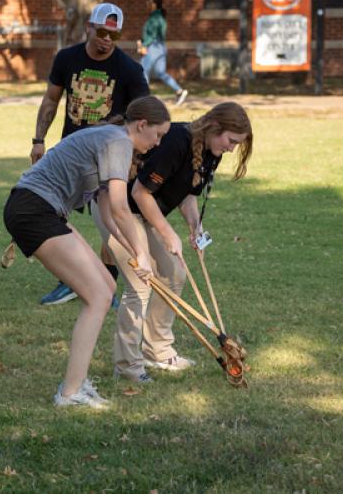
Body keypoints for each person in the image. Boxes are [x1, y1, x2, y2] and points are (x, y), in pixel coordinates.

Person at [4, 95, 171, 408]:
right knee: (97, 297)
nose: (158, 143)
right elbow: (122, 208)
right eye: (158, 135)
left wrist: (132, 255)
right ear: (141, 124)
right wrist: (143, 254)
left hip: (42, 210)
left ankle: (77, 383)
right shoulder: (118, 142)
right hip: (33, 209)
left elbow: (109, 216)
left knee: (107, 288)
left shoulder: (112, 142)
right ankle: (70, 393)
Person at [91, 102, 253, 382]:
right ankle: (128, 367)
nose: (231, 148)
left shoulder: (210, 151)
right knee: (141, 282)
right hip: (118, 209)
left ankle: (158, 351)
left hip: (142, 213)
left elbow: (187, 193)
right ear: (215, 128)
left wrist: (194, 226)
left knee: (174, 273)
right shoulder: (176, 141)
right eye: (231, 141)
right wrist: (167, 233)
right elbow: (141, 192)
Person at [31, 2, 150, 307]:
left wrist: (135, 157)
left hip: (109, 155)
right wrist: (38, 140)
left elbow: (145, 116)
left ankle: (107, 282)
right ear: (89, 27)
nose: (107, 39)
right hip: (71, 153)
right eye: (101, 32)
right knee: (54, 211)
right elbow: (50, 101)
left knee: (108, 219)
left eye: (115, 34)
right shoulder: (67, 58)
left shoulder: (130, 70)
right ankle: (70, 279)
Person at [137, 0, 188, 107]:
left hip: (154, 47)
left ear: (154, 3)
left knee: (143, 70)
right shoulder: (158, 16)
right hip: (160, 47)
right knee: (161, 73)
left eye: (149, 1)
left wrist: (144, 45)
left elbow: (153, 35)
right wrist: (142, 42)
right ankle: (180, 91)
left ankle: (143, 99)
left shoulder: (155, 17)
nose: (147, 3)